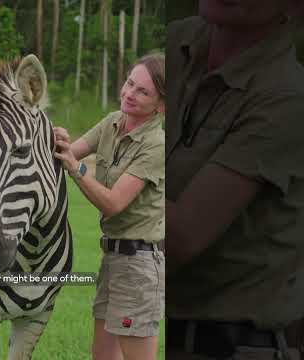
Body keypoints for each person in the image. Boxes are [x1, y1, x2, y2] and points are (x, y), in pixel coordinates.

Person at [166, 0, 304, 359]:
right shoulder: (178, 42)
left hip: (232, 347)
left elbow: (180, 237)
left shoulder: (287, 97)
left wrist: (93, 178)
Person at [53, 53, 165, 360]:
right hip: (113, 259)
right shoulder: (112, 123)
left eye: (143, 91)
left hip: (139, 266)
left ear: (161, 105)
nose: (129, 93)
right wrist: (53, 138)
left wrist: (76, 168)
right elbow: (65, 153)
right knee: (102, 355)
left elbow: (114, 203)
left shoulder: (156, 144)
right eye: (130, 83)